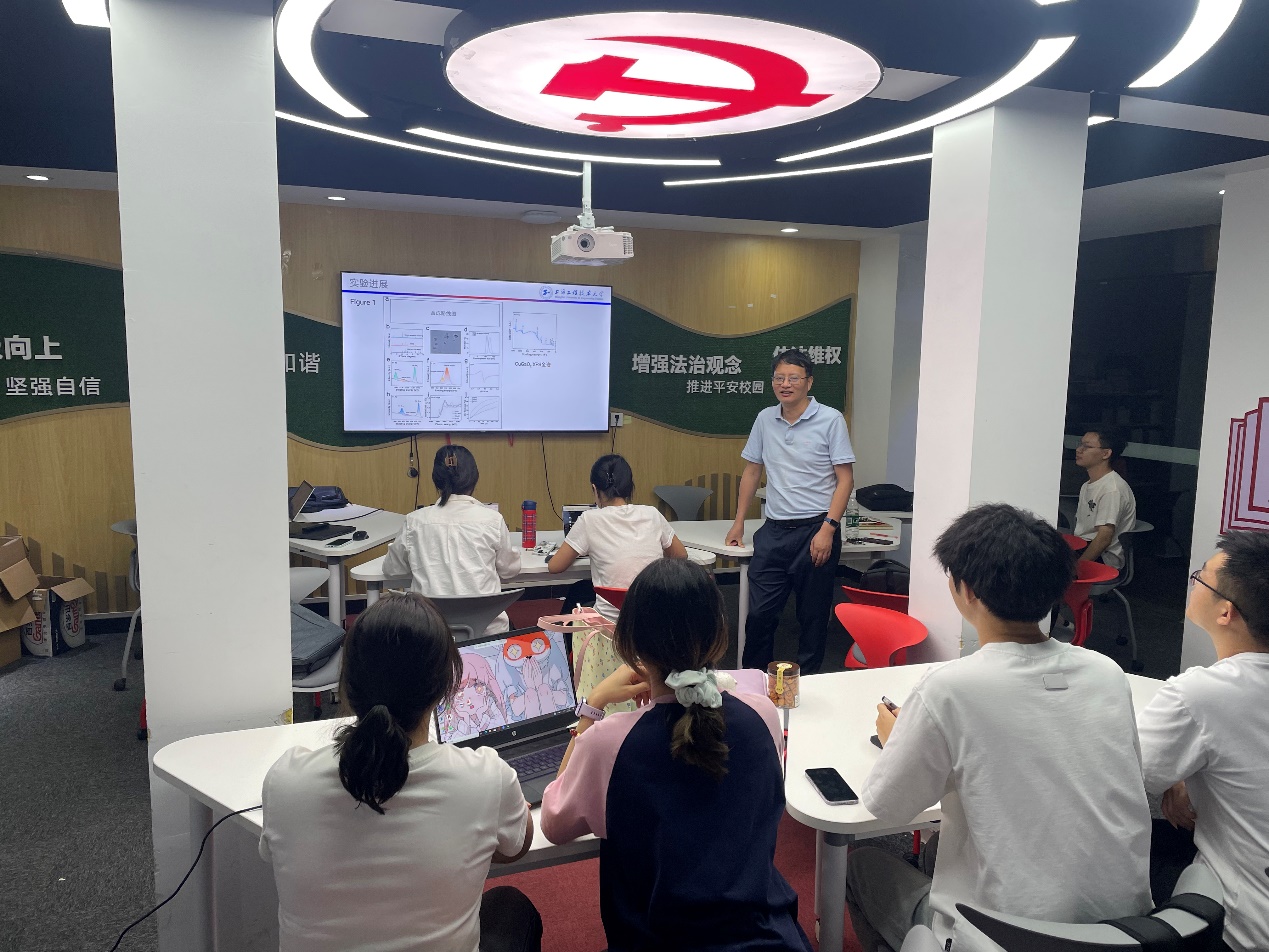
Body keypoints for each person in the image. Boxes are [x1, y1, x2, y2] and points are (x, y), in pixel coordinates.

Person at [846, 503, 1152, 952]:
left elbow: (886, 806)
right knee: (943, 849)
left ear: (966, 589)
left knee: (861, 866)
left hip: (1005, 937)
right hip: (1124, 931)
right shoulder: (1106, 673)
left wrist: (896, 739)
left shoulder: (949, 689)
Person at [540, 559, 813, 952]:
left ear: (628, 644)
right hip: (767, 938)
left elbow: (553, 823)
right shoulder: (763, 714)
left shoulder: (608, 742)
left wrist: (593, 705)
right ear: (719, 635)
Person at [259, 593, 541, 952]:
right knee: (511, 907)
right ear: (446, 686)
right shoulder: (487, 778)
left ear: (346, 684)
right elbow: (515, 847)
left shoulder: (286, 781)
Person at [1136, 531, 1269, 952]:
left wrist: (1175, 777)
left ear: (1226, 612)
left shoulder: (1202, 694)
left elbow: (1125, 776)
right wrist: (1182, 774)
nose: (1191, 583)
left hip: (1242, 928)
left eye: (1200, 578)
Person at [726, 349, 855, 674]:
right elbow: (751, 472)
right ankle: (753, 683)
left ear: (808, 382)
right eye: (779, 378)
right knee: (760, 615)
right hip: (774, 530)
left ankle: (808, 683)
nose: (785, 384)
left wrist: (828, 528)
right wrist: (739, 522)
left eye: (793, 378)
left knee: (812, 617)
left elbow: (845, 479)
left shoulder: (831, 419)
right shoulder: (765, 419)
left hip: (816, 530)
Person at [546, 454, 688, 713]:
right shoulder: (652, 514)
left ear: (594, 489)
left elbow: (555, 566)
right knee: (580, 589)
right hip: (653, 619)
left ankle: (571, 686)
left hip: (611, 626)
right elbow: (681, 555)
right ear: (630, 486)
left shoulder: (589, 520)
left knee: (576, 596)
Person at [383, 445, 520, 633]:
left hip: (428, 631)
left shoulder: (415, 521)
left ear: (436, 480)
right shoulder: (492, 520)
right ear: (474, 478)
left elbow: (392, 570)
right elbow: (509, 571)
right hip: (485, 632)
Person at [1072, 427, 1137, 567]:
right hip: (1084, 544)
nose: (1079, 450)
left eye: (1087, 446)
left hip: (1104, 557)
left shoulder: (1112, 489)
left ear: (1106, 453)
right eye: (1080, 444)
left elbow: (1104, 538)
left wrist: (1077, 568)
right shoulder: (1087, 485)